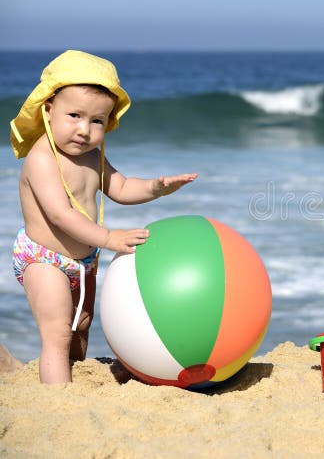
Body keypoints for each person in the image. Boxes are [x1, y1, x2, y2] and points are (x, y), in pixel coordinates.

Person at [10, 50, 197, 384]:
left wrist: (156, 187)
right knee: (57, 334)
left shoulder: (92, 157)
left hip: (84, 259)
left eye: (96, 121)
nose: (84, 130)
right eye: (74, 116)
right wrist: (109, 238)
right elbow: (60, 214)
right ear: (49, 111)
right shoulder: (42, 159)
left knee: (80, 328)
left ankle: (70, 375)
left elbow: (121, 188)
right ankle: (57, 400)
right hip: (45, 259)